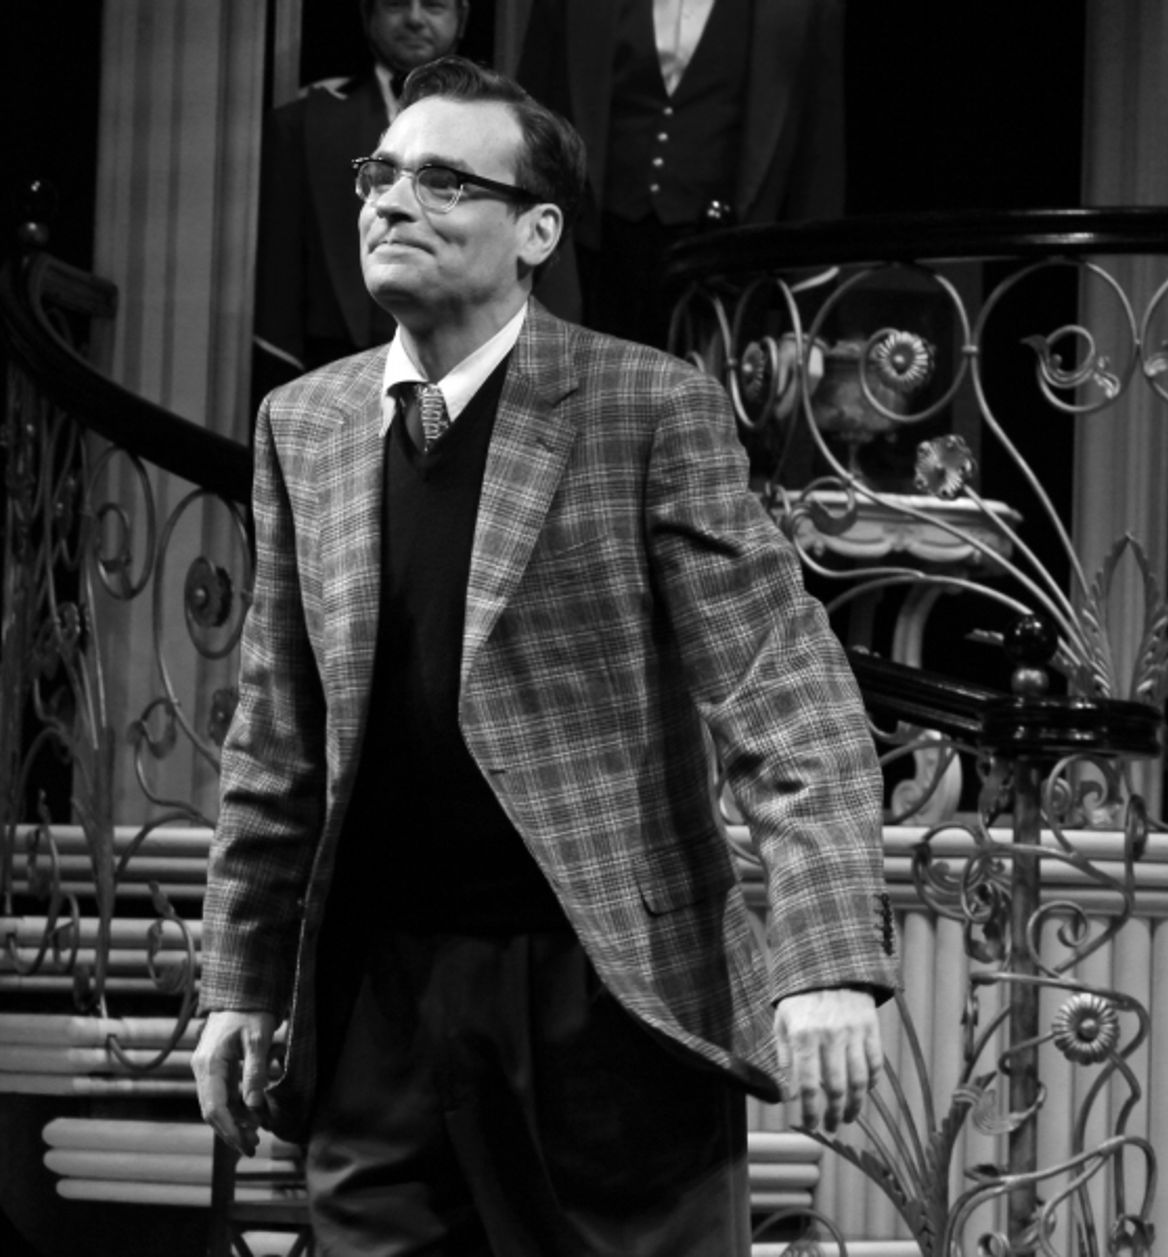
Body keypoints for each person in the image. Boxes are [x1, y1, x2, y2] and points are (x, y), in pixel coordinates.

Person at [194, 55, 898, 1256]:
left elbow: (783, 688)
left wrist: (825, 959)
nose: (392, 201)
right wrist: (239, 982)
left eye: (444, 180)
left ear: (538, 232)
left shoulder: (645, 406)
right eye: (382, 173)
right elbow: (276, 741)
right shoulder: (301, 423)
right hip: (382, 1007)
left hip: (607, 1004)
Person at [518, 0, 845, 347]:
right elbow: (531, 122)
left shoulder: (802, 8)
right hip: (599, 265)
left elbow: (818, 155)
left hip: (725, 275)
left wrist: (807, 328)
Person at [252, 0, 469, 396]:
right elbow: (279, 288)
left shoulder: (510, 131)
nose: (415, 18)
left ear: (462, 19)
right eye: (396, 4)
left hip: (470, 368)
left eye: (435, 5)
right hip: (334, 375)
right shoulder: (302, 126)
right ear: (367, 16)